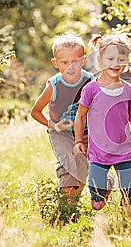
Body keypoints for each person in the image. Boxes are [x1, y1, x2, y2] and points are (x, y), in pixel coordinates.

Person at [73, 33, 131, 215]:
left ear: (126, 62)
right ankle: (104, 188)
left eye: (121, 59)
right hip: (99, 152)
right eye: (110, 58)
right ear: (100, 60)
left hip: (124, 151)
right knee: (96, 200)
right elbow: (80, 117)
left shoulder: (129, 91)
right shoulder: (91, 89)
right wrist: (78, 141)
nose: (115, 63)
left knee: (129, 194)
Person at [31, 33, 93, 199]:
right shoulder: (54, 85)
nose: (71, 67)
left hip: (86, 133)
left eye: (75, 61)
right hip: (61, 133)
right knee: (68, 163)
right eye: (65, 63)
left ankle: (73, 204)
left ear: (84, 60)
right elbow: (35, 111)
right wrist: (54, 126)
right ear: (56, 63)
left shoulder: (90, 81)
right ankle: (64, 206)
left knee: (82, 166)